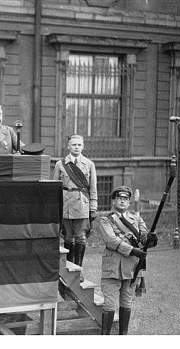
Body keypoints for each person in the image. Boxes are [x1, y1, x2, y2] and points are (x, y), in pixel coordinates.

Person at [96, 186, 157, 335]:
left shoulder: (136, 219)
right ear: (113, 201)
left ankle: (123, 336)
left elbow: (143, 238)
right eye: (119, 199)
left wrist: (151, 239)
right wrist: (133, 250)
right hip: (112, 268)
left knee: (127, 302)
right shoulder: (106, 219)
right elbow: (111, 240)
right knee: (109, 304)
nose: (122, 201)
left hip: (131, 268)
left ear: (129, 203)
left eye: (125, 199)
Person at [52, 134, 97, 275]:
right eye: (74, 145)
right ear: (68, 146)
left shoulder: (89, 164)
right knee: (68, 238)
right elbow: (54, 187)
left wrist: (93, 207)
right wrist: (54, 207)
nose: (76, 147)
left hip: (82, 205)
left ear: (83, 147)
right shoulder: (60, 164)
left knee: (81, 239)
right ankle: (68, 271)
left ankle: (78, 271)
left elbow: (93, 188)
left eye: (79, 145)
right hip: (66, 205)